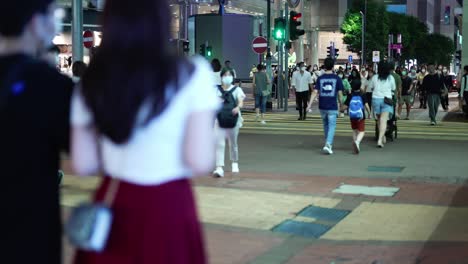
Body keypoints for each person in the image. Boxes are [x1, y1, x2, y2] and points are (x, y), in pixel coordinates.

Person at [71, 0, 218, 262]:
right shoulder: (192, 73)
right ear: (162, 20)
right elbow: (199, 160)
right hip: (170, 204)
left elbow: (84, 164)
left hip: (114, 201)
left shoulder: (92, 80)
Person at [0, 1, 74, 263]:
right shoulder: (50, 84)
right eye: (53, 14)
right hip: (30, 233)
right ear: (35, 23)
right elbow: (85, 156)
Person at [307, 58, 344, 154]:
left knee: (326, 125)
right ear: (333, 66)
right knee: (332, 126)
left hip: (322, 106)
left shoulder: (320, 78)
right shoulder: (337, 79)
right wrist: (342, 106)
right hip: (332, 106)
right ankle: (328, 144)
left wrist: (309, 105)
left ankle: (328, 143)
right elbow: (340, 94)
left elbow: (315, 92)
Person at [213, 69, 245, 177]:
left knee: (233, 143)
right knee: (219, 143)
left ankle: (234, 163)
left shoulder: (237, 89)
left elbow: (241, 102)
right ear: (221, 77)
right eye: (225, 75)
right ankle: (219, 167)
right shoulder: (216, 90)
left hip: (233, 119)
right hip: (219, 119)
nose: (227, 77)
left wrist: (237, 107)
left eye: (229, 75)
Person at [371, 61, 396, 148]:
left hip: (376, 99)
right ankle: (380, 139)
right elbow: (393, 88)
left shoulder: (375, 77)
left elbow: (371, 87)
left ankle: (381, 137)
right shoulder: (390, 78)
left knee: (379, 120)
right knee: (383, 120)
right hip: (387, 100)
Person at [343, 80, 371, 154]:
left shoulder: (350, 95)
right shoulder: (362, 94)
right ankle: (357, 142)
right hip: (360, 116)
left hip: (352, 116)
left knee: (354, 130)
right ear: (360, 86)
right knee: (361, 131)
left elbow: (345, 106)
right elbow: (366, 105)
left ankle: (355, 145)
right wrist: (369, 113)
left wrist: (340, 110)